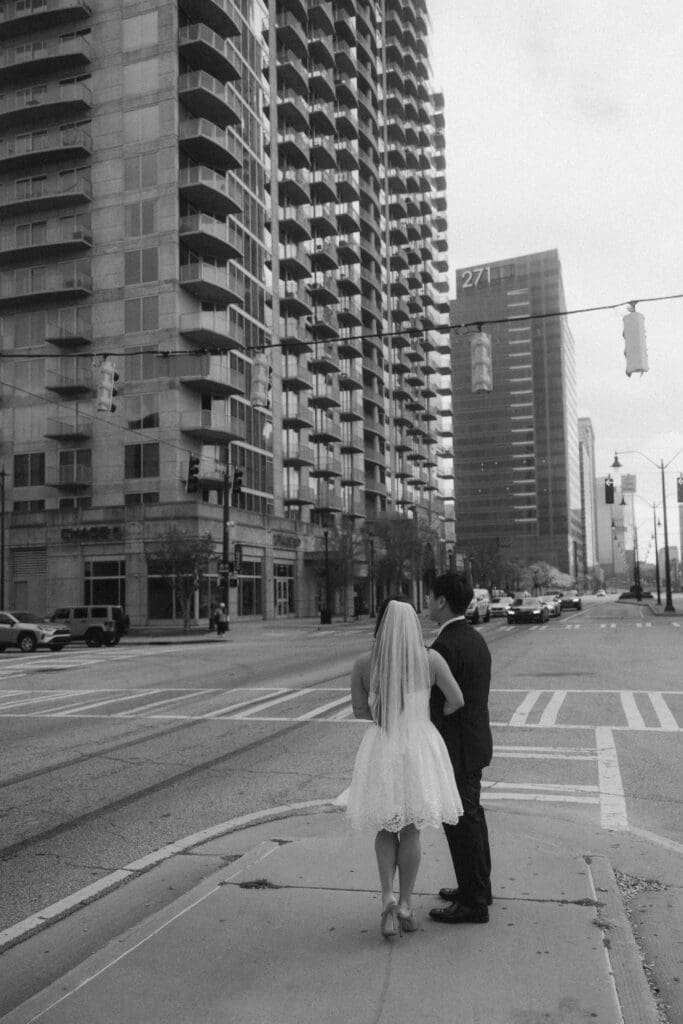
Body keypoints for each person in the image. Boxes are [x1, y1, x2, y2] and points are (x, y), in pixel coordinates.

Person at [346, 595, 465, 938]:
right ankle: (407, 904)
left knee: (385, 827)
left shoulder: (364, 663)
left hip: (383, 747)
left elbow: (358, 710)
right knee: (411, 828)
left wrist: (387, 716)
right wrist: (427, 717)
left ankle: (387, 898)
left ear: (380, 624)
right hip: (417, 747)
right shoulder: (430, 660)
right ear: (412, 624)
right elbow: (456, 700)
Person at [426, 573, 493, 925]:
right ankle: (479, 886)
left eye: (429, 596)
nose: (426, 601)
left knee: (461, 821)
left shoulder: (445, 646)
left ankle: (473, 901)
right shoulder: (474, 638)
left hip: (457, 748)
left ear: (441, 600)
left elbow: (446, 702)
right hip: (475, 741)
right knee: (473, 816)